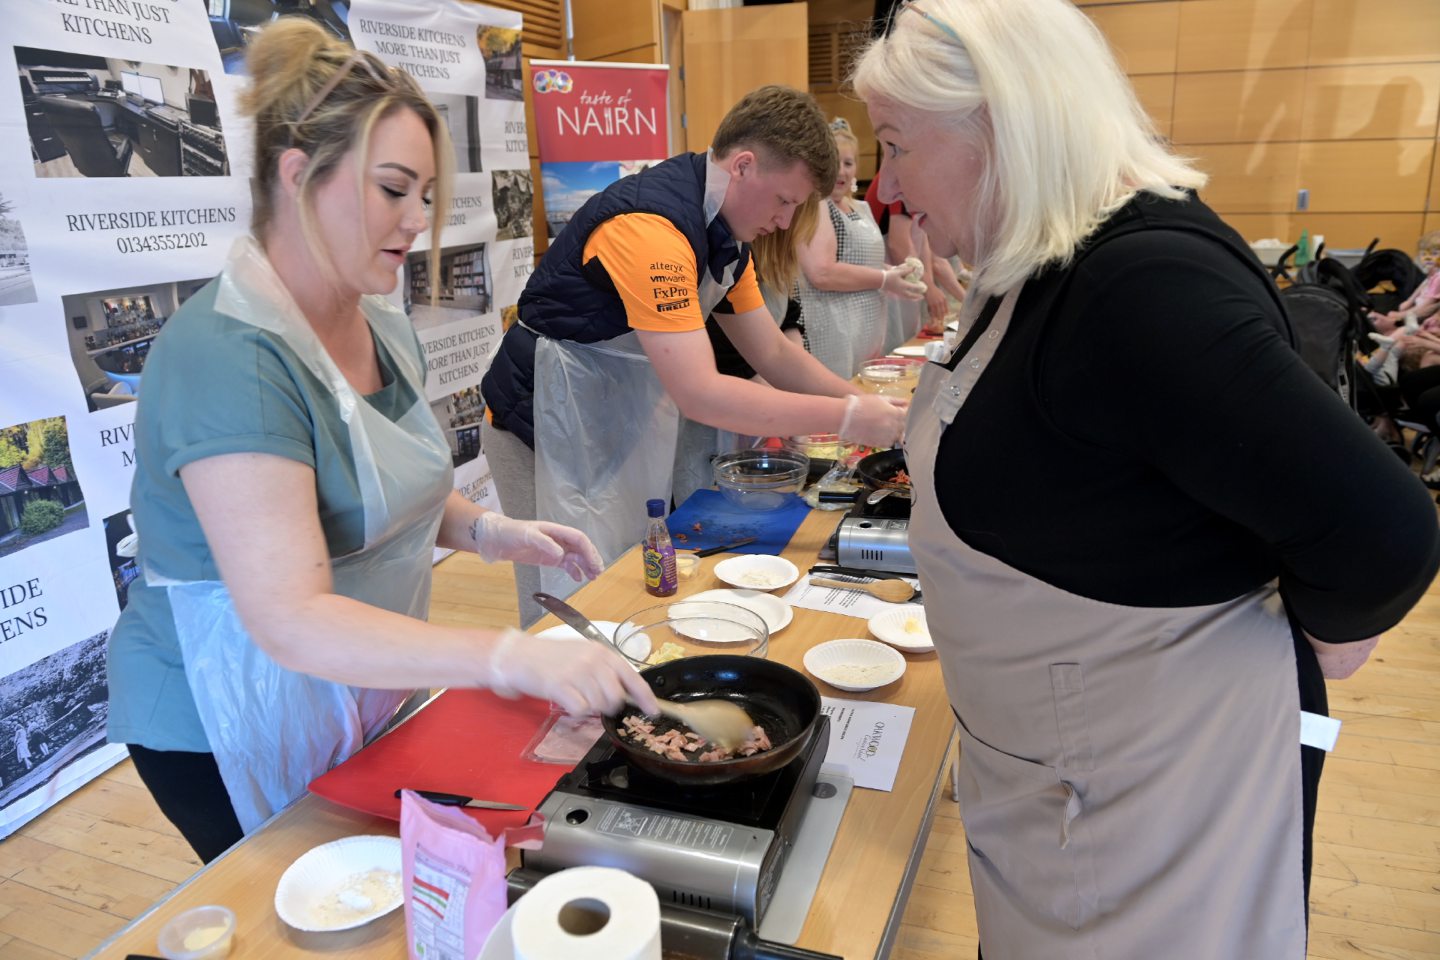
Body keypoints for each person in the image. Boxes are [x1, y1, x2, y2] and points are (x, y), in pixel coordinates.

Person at [853, 2, 1440, 957]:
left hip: (1148, 800)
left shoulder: (1139, 285)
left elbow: (1383, 533)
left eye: (896, 146)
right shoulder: (1039, 257)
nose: (886, 186)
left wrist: (1333, 633)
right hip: (1064, 780)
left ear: (1000, 121)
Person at [105, 19, 657, 865]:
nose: (416, 220)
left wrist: (486, 530)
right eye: (393, 189)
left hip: (355, 685)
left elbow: (383, 482)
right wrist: (506, 657)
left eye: (425, 195)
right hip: (221, 717)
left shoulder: (374, 315)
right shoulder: (229, 356)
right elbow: (288, 618)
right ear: (298, 177)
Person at [480, 86, 909, 625]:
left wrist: (874, 408)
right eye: (784, 201)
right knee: (565, 601)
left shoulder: (724, 236)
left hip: (607, 415)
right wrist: (847, 417)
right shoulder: (652, 227)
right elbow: (700, 392)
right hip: (537, 425)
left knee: (628, 576)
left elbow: (773, 351)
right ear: (745, 166)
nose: (784, 222)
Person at [796, 118, 925, 378]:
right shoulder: (815, 205)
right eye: (834, 162)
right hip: (830, 331)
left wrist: (895, 272)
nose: (841, 171)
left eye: (848, 163)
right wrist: (885, 278)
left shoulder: (862, 209)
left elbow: (860, 263)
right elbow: (822, 272)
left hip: (866, 329)